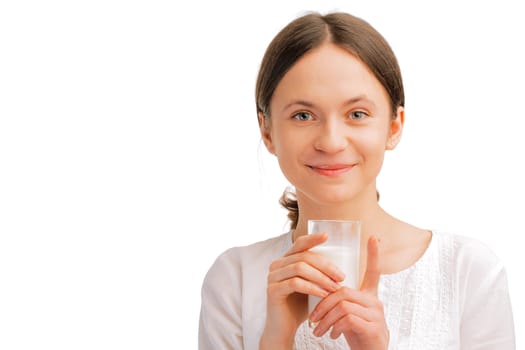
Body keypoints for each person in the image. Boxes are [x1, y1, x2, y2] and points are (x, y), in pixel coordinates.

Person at [198, 11, 515, 350]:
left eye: (357, 114)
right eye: (303, 115)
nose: (331, 141)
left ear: (394, 126)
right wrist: (276, 339)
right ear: (267, 131)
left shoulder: (467, 271)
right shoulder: (236, 279)